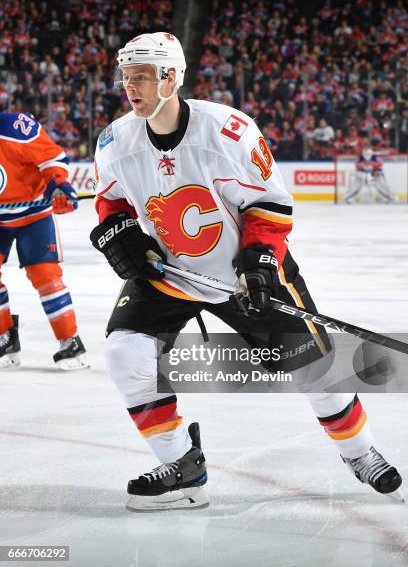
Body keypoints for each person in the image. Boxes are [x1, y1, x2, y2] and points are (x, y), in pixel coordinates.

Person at [90, 32, 402, 511]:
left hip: (244, 273)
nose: (130, 87)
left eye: (142, 77)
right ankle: (181, 466)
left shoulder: (227, 131)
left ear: (172, 78)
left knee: (315, 364)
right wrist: (118, 232)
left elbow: (269, 203)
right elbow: (111, 199)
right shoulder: (116, 140)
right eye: (126, 77)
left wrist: (259, 262)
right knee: (124, 354)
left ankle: (360, 453)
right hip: (169, 273)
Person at [0, 111, 87, 370]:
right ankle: (5, 337)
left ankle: (70, 341)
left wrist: (57, 184)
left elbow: (51, 158)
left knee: (45, 276)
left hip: (33, 214)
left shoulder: (14, 127)